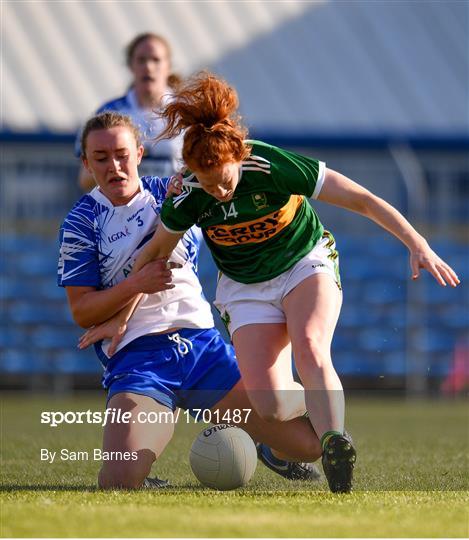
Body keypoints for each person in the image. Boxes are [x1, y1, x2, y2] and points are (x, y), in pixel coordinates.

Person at [84, 73, 461, 494]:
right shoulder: (189, 192)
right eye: (207, 184)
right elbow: (152, 257)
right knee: (271, 403)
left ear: (237, 155)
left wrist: (417, 243)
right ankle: (317, 406)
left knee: (311, 345)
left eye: (224, 179)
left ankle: (336, 440)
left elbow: (362, 199)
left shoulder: (270, 165)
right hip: (245, 287)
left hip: (304, 263)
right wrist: (122, 318)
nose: (220, 192)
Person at [59, 111, 323, 490]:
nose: (114, 166)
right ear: (86, 163)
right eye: (101, 158)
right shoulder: (81, 222)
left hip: (203, 349)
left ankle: (267, 445)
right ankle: (149, 467)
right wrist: (135, 287)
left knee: (310, 446)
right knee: (118, 480)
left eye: (121, 153)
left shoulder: (175, 191)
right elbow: (82, 311)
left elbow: (230, 178)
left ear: (138, 151)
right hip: (139, 361)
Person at [76, 33, 183, 192]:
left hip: (177, 210)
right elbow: (85, 180)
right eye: (141, 60)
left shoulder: (188, 112)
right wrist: (123, 157)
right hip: (126, 212)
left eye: (156, 60)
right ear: (130, 65)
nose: (148, 67)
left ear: (169, 66)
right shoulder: (108, 113)